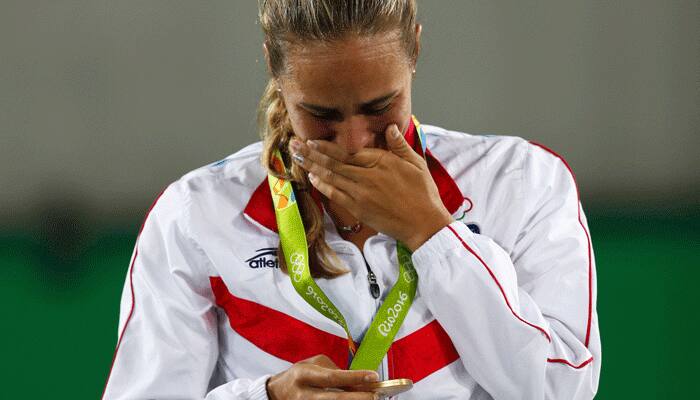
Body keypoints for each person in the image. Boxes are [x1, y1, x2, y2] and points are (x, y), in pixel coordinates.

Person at [101, 1, 601, 399]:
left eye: (380, 107)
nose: (354, 142)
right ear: (275, 69)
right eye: (321, 115)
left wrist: (434, 234)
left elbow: (560, 388)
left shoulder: (521, 182)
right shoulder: (196, 216)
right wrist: (265, 397)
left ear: (416, 52)